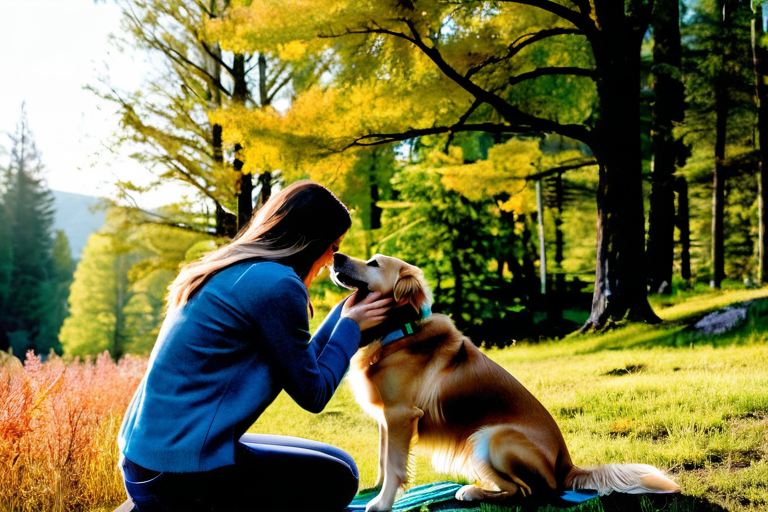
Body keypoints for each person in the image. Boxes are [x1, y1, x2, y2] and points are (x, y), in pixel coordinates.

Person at [117, 181, 392, 512]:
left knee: (340, 461)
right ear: (312, 240)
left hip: (152, 460)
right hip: (177, 477)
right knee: (341, 478)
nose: (332, 260)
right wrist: (352, 326)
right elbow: (313, 393)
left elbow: (301, 359)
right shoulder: (278, 285)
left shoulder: (236, 267)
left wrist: (346, 314)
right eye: (333, 246)